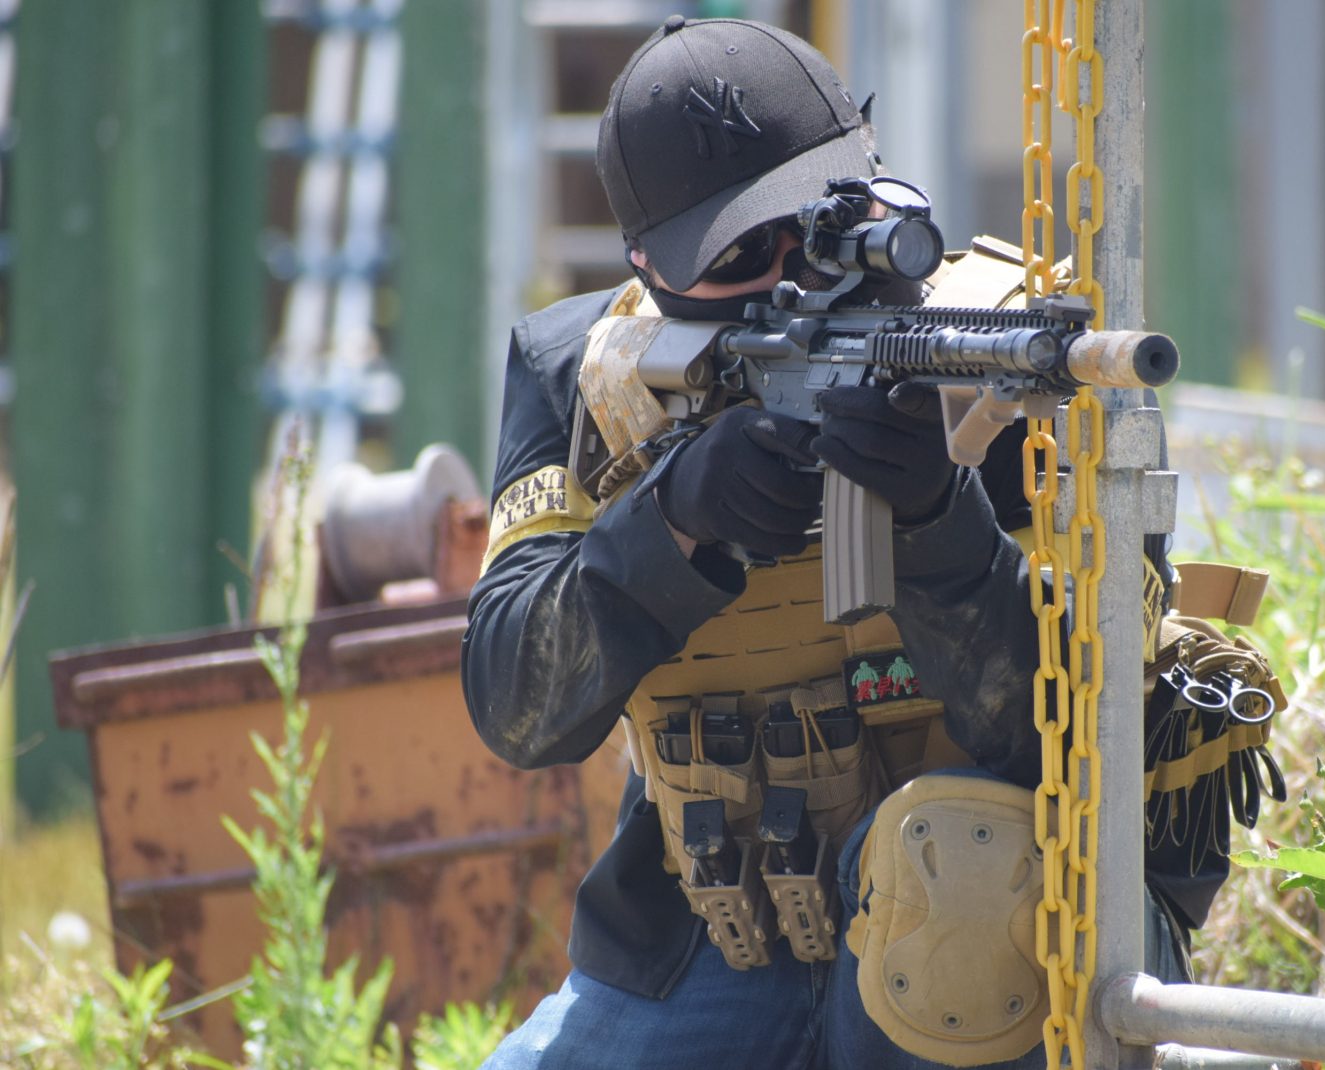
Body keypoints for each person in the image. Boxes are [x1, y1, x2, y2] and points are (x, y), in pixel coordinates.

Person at [463, 16, 1193, 1070]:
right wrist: (674, 518)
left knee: (961, 890)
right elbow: (516, 707)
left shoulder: (1011, 354)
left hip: (1000, 920)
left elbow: (1092, 736)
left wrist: (939, 523)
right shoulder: (586, 374)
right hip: (719, 925)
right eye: (737, 255)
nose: (793, 276)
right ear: (647, 264)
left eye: (822, 227)